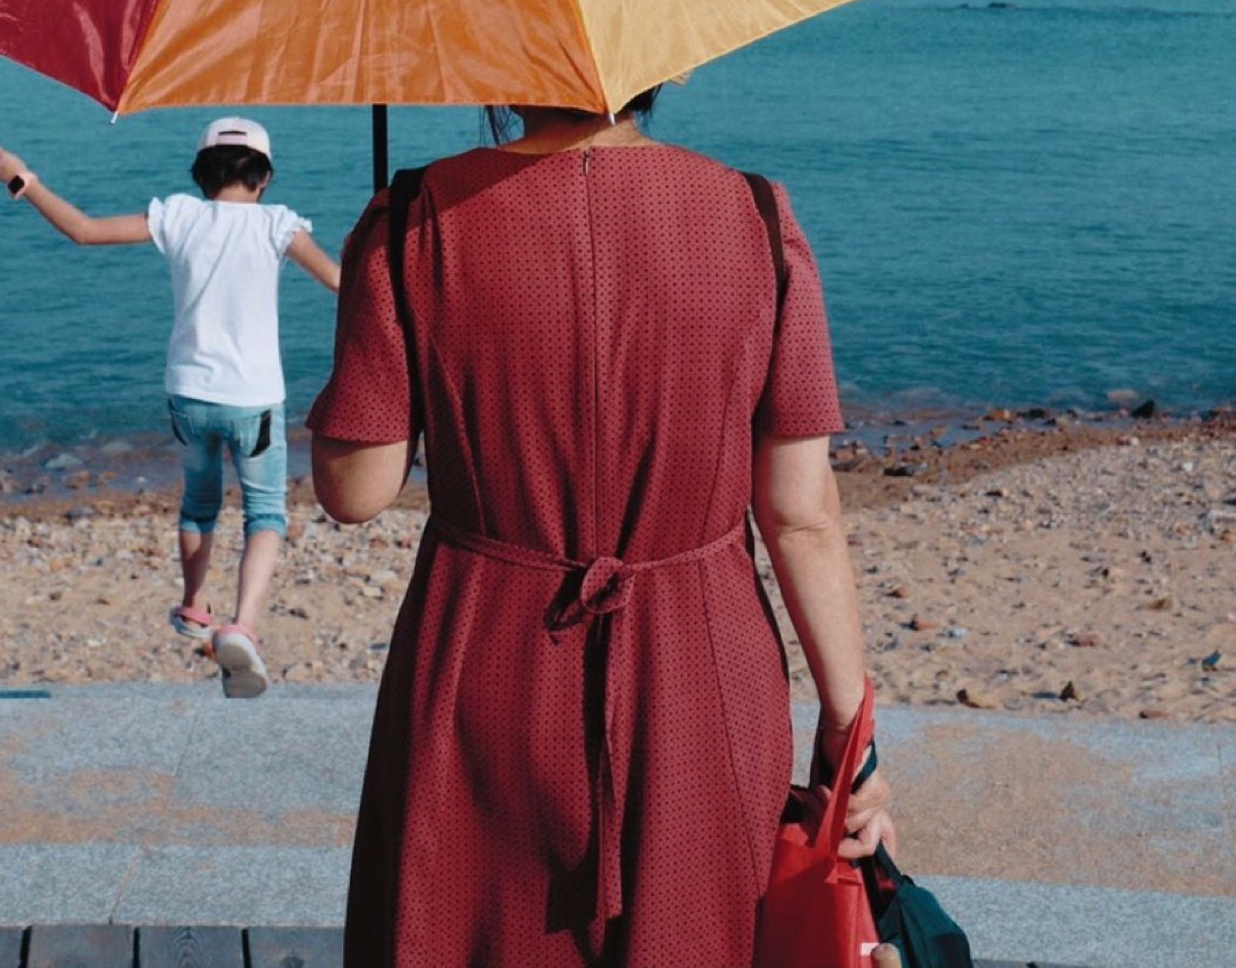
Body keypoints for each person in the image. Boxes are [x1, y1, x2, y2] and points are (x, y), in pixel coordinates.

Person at [308, 89, 894, 968]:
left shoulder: (415, 219)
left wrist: (372, 291)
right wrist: (853, 732)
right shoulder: (758, 216)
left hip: (484, 662)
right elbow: (800, 511)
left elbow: (357, 490)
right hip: (703, 666)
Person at [0, 117, 340, 698]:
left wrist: (24, 179)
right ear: (264, 177)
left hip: (188, 394)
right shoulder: (277, 225)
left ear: (202, 174)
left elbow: (83, 230)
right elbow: (337, 280)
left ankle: (194, 605)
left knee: (199, 503)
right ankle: (243, 626)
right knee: (266, 515)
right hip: (252, 398)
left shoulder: (178, 215)